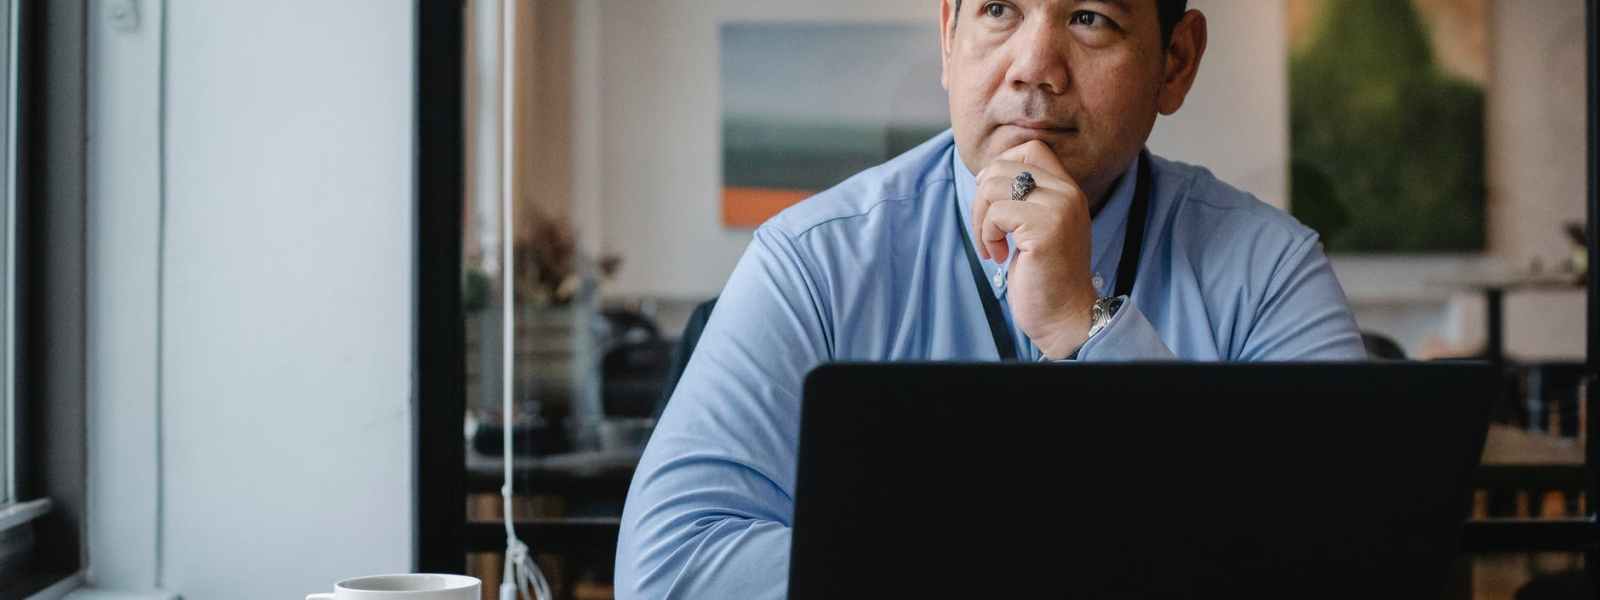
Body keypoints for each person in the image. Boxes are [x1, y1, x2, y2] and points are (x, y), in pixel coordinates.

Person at [617, 1, 1365, 597]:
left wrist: (1085, 324)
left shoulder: (1269, 268)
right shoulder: (813, 261)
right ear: (949, 34)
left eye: (1090, 18)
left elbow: (1349, 566)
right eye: (999, 9)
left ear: (1176, 61)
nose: (1034, 67)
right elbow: (669, 567)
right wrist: (1004, 568)